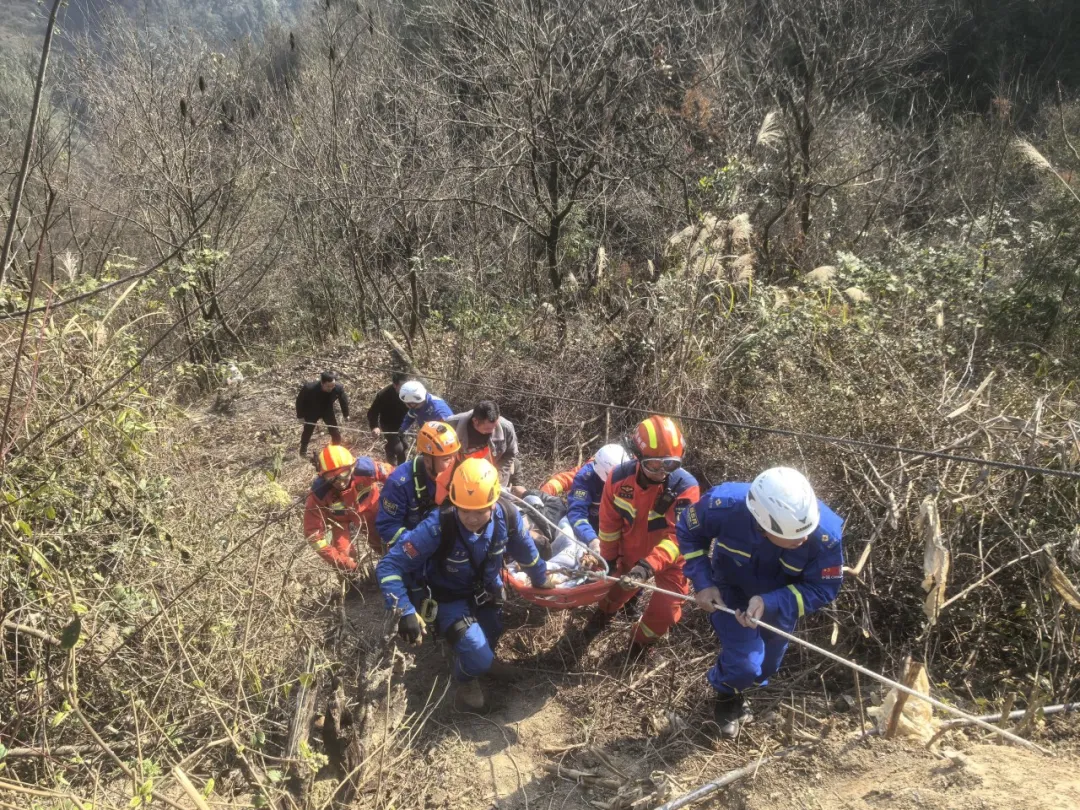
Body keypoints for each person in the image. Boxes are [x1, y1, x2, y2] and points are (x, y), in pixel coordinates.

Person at [375, 458, 555, 712]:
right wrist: (404, 611)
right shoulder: (438, 526)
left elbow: (527, 553)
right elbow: (389, 566)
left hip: (488, 592)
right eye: (465, 510)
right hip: (448, 599)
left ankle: (483, 662)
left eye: (480, 511)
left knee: (490, 635)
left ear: (494, 503)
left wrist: (541, 579)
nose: (472, 519)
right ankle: (466, 679)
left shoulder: (508, 516)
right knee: (476, 654)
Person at [676, 467, 844, 738]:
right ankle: (727, 696)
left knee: (766, 667)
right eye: (793, 536)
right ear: (764, 526)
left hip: (781, 601)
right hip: (730, 590)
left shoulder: (824, 535)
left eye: (805, 532)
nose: (803, 539)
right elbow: (688, 529)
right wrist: (703, 582)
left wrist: (771, 602)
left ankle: (742, 688)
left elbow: (823, 588)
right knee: (745, 664)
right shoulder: (724, 506)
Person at [590, 416, 700, 652]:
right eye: (654, 465)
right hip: (631, 550)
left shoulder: (685, 488)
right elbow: (609, 525)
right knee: (613, 592)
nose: (662, 472)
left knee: (666, 611)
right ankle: (602, 617)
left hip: (671, 560)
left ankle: (638, 645)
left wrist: (647, 567)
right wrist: (609, 559)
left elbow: (679, 538)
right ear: (637, 457)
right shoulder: (618, 479)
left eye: (670, 465)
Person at [303, 445, 392, 572]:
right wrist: (339, 560)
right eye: (332, 478)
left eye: (344, 474)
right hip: (340, 521)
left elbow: (395, 476)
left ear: (352, 467)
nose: (340, 482)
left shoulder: (367, 469)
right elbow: (313, 534)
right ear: (323, 477)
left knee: (386, 541)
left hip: (372, 508)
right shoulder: (319, 492)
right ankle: (354, 577)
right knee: (344, 557)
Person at [376, 421, 462, 550]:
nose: (453, 463)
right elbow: (388, 527)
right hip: (414, 546)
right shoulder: (400, 483)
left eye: (454, 456)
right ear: (427, 460)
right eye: (446, 459)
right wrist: (420, 543)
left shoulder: (460, 474)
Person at [565, 444, 632, 551]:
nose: (621, 481)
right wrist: (591, 539)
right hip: (593, 528)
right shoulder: (585, 479)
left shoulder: (630, 475)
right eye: (617, 476)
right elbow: (577, 512)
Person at [446, 400, 519, 487]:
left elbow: (511, 453)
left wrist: (498, 475)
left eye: (494, 427)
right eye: (487, 429)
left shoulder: (506, 428)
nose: (492, 431)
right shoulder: (452, 425)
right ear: (475, 421)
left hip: (495, 474)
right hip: (464, 472)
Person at [296, 371, 350, 459]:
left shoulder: (338, 388)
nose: (331, 388)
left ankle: (336, 449)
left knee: (334, 430)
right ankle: (303, 450)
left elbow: (343, 401)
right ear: (322, 383)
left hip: (327, 410)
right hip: (312, 410)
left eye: (333, 386)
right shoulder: (309, 388)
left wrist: (346, 414)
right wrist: (300, 416)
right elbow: (299, 401)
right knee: (308, 430)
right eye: (328, 386)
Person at [367, 371, 411, 465]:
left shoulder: (410, 392)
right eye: (402, 386)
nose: (405, 389)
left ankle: (399, 463)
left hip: (403, 423)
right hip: (388, 424)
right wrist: (374, 426)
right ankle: (394, 463)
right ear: (395, 385)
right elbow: (372, 412)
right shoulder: (383, 395)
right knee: (399, 448)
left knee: (405, 445)